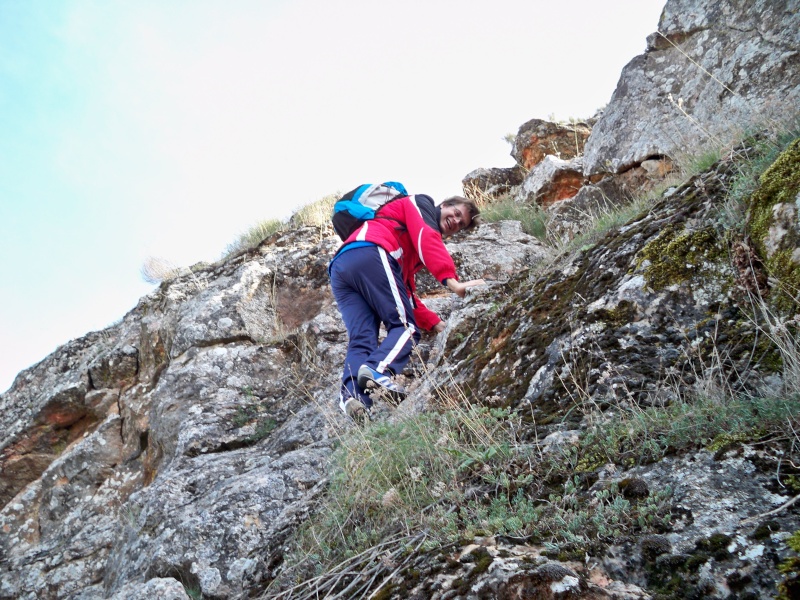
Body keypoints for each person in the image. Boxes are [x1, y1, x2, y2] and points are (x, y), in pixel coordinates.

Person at [328, 193, 486, 421]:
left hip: (343, 265)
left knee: (362, 339)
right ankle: (378, 371)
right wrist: (453, 283)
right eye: (457, 213)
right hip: (372, 250)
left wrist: (437, 324)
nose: (456, 221)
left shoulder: (405, 238)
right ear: (444, 205)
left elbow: (406, 290)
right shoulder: (420, 203)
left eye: (461, 224)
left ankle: (352, 399)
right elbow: (427, 236)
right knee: (406, 329)